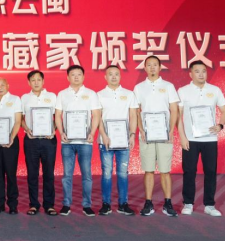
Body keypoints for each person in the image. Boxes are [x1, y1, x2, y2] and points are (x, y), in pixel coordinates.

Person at [178, 60, 225, 217]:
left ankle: (209, 205)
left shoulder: (215, 90)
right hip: (190, 139)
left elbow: (224, 111)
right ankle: (188, 203)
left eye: (204, 71)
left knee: (211, 171)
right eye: (197, 71)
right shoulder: (183, 91)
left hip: (210, 139)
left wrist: (220, 125)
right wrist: (182, 137)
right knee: (189, 171)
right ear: (190, 74)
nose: (201, 74)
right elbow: (178, 116)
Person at [133, 55, 179, 217]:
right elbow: (136, 110)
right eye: (149, 65)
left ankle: (168, 203)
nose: (152, 67)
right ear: (145, 68)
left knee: (165, 170)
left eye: (155, 65)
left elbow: (174, 109)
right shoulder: (139, 88)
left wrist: (171, 131)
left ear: (160, 67)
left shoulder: (168, 86)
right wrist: (141, 129)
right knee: (149, 170)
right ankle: (148, 203)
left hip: (164, 134)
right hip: (147, 135)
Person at [54, 65, 101, 217]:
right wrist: (61, 132)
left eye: (79, 74)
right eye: (73, 74)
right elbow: (58, 115)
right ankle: (66, 204)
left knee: (86, 174)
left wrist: (92, 133)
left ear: (83, 76)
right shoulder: (62, 94)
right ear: (68, 77)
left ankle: (87, 205)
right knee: (67, 175)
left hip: (85, 141)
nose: (76, 77)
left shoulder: (91, 94)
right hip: (67, 142)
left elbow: (96, 115)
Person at [96, 65, 138, 216]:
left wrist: (132, 134)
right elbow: (97, 117)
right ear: (105, 77)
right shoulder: (99, 95)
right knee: (107, 173)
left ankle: (123, 204)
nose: (113, 77)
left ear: (120, 76)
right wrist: (103, 135)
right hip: (105, 141)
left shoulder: (129, 94)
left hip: (123, 141)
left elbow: (133, 116)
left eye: (116, 74)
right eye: (110, 74)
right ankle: (106, 204)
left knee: (123, 173)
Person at [21, 70, 58, 216]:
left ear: (43, 81)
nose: (36, 82)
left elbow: (58, 116)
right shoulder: (24, 98)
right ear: (28, 82)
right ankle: (34, 204)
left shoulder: (52, 96)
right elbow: (20, 118)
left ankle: (49, 205)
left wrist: (54, 130)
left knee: (49, 173)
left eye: (38, 80)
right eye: (33, 80)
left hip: (49, 140)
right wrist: (26, 129)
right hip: (31, 140)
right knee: (32, 174)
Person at [0, 78, 22, 215]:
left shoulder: (15, 99)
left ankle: (13, 205)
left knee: (11, 174)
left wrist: (11, 137)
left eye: (3, 85)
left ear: (8, 86)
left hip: (11, 142)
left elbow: (18, 121)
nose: (0, 87)